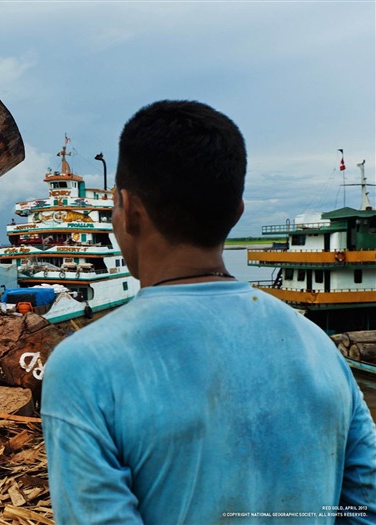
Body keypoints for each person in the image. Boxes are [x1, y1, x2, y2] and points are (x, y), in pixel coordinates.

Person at [41, 100, 376, 524]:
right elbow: (363, 508)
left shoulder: (84, 367)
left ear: (129, 210)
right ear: (237, 213)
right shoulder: (319, 348)